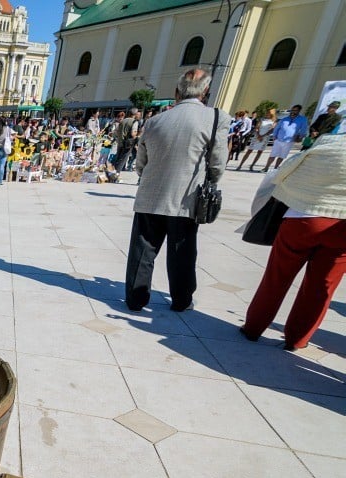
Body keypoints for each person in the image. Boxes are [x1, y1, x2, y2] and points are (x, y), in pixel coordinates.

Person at [124, 68, 229, 312]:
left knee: (143, 251)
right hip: (186, 198)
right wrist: (211, 180)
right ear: (205, 92)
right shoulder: (215, 118)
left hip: (150, 195)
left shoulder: (155, 120)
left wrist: (150, 177)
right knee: (182, 252)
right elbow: (217, 163)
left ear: (176, 92)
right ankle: (181, 300)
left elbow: (141, 162)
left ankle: (135, 299)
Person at [241, 132, 346, 350]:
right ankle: (298, 338)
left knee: (277, 277)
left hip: (303, 218)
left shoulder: (327, 144)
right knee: (322, 286)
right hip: (342, 228)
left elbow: (284, 173)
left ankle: (253, 327)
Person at [262, 104, 308, 172]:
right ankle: (266, 168)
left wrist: (301, 137)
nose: (293, 111)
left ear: (299, 111)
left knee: (282, 155)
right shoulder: (285, 119)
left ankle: (275, 168)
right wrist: (274, 136)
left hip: (289, 141)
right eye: (292, 110)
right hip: (279, 139)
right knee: (273, 154)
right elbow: (277, 127)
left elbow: (303, 129)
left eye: (295, 110)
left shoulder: (302, 119)